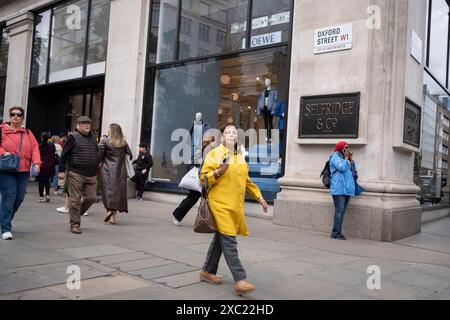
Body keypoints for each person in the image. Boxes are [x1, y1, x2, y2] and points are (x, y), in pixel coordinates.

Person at [199, 125, 268, 296]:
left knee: (220, 241)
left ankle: (207, 271)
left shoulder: (240, 158)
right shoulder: (214, 155)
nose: (231, 135)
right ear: (222, 138)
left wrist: (259, 197)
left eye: (234, 133)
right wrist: (217, 172)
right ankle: (240, 280)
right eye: (228, 132)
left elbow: (247, 181)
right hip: (219, 205)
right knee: (229, 242)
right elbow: (203, 178)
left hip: (234, 207)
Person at [0, 106, 42, 240]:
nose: (15, 117)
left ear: (22, 117)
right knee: (9, 196)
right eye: (13, 114)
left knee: (19, 198)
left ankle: (4, 218)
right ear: (9, 116)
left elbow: (35, 148)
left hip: (23, 170)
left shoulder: (28, 132)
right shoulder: (2, 130)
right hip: (7, 169)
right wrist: (3, 153)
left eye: (19, 115)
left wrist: (37, 162)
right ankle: (6, 227)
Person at [59, 116, 99, 234]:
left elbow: (96, 153)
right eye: (84, 124)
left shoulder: (93, 138)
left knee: (91, 198)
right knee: (75, 200)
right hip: (76, 173)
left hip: (91, 174)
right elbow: (64, 155)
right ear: (79, 125)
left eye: (89, 124)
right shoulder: (73, 137)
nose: (87, 126)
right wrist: (61, 171)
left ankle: (76, 213)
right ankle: (75, 224)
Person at [172, 135, 216, 226]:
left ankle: (209, 221)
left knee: (202, 199)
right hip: (200, 177)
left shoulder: (207, 149)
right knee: (193, 198)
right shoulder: (207, 149)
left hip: (205, 176)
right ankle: (177, 214)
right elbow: (198, 162)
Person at [98, 123, 132, 225]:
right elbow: (130, 156)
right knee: (117, 193)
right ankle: (113, 218)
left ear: (111, 131)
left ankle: (109, 211)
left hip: (107, 170)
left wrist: (99, 144)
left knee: (108, 192)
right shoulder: (124, 143)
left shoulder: (105, 141)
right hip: (121, 171)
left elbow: (99, 157)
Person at [329, 141, 355, 240]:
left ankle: (336, 232)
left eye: (348, 147)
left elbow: (353, 170)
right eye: (345, 147)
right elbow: (342, 168)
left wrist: (351, 160)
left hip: (346, 189)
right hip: (338, 189)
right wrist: (346, 158)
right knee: (339, 211)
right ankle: (336, 233)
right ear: (341, 148)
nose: (347, 150)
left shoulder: (345, 158)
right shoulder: (335, 157)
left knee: (341, 211)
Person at [36, 132, 56, 203]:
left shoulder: (39, 146)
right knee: (47, 181)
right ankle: (47, 195)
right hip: (50, 165)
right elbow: (54, 153)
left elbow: (38, 156)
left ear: (41, 138)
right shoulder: (52, 145)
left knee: (41, 181)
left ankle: (41, 197)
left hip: (42, 165)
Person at [256, 76, 278, 141]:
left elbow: (275, 100)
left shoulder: (274, 91)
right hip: (264, 108)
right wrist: (258, 110)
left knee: (270, 123)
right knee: (265, 123)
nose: (266, 83)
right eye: (265, 82)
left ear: (270, 83)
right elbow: (259, 100)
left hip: (270, 109)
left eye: (267, 82)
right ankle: (266, 136)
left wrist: (273, 109)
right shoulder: (263, 92)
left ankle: (270, 137)